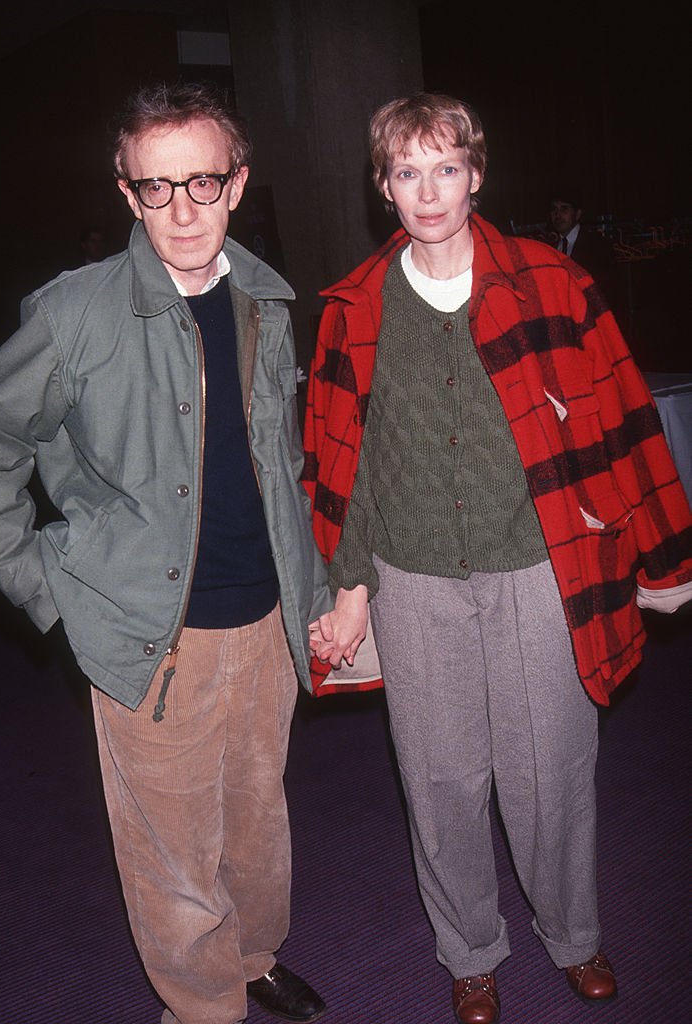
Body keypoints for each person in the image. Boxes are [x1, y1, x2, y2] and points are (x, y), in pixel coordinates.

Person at [304, 93, 692, 1024]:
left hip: (538, 567)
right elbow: (336, 461)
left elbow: (622, 416)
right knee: (438, 782)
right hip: (412, 578)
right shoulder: (352, 309)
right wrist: (347, 583)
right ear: (382, 188)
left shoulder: (552, 285)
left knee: (550, 766)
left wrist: (661, 557)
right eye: (406, 171)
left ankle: (572, 934)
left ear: (475, 174)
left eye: (445, 168)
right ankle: (469, 951)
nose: (427, 190)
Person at [0, 82, 331, 1024]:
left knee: (256, 824)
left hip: (264, 620)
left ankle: (251, 959)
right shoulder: (74, 314)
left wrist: (316, 587)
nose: (182, 210)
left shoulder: (264, 299)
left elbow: (280, 462)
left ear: (237, 184)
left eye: (202, 182)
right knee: (172, 850)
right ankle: (202, 1007)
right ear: (126, 194)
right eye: (156, 188)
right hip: (148, 630)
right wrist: (44, 584)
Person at [548, 191, 623, 319]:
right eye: (554, 209)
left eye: (564, 209)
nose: (558, 215)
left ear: (578, 214)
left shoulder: (597, 246)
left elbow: (607, 291)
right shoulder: (548, 247)